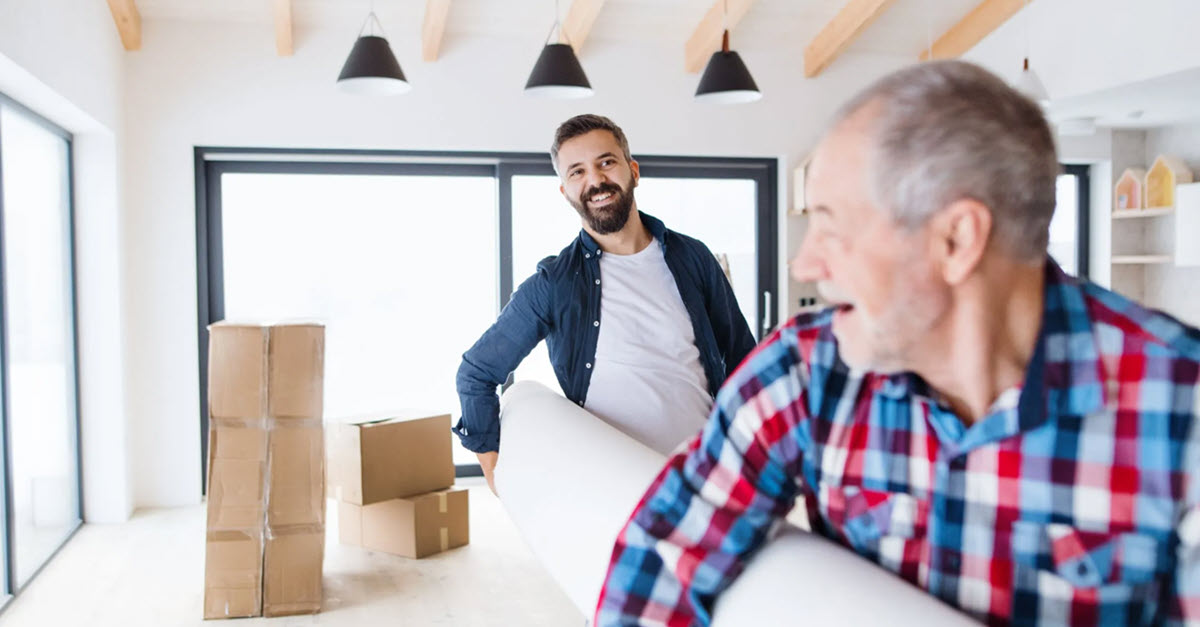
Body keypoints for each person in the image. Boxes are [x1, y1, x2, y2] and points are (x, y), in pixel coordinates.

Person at [596, 60, 1200, 625]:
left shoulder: (1180, 406)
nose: (806, 264)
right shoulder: (805, 370)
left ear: (956, 240)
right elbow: (662, 558)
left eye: (831, 225)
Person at [454, 114, 756, 493]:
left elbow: (744, 359)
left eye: (606, 163)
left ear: (632, 170)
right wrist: (497, 475)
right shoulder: (553, 284)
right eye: (577, 172)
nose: (595, 181)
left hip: (707, 475)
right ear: (564, 191)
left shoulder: (692, 257)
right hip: (614, 490)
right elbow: (476, 373)